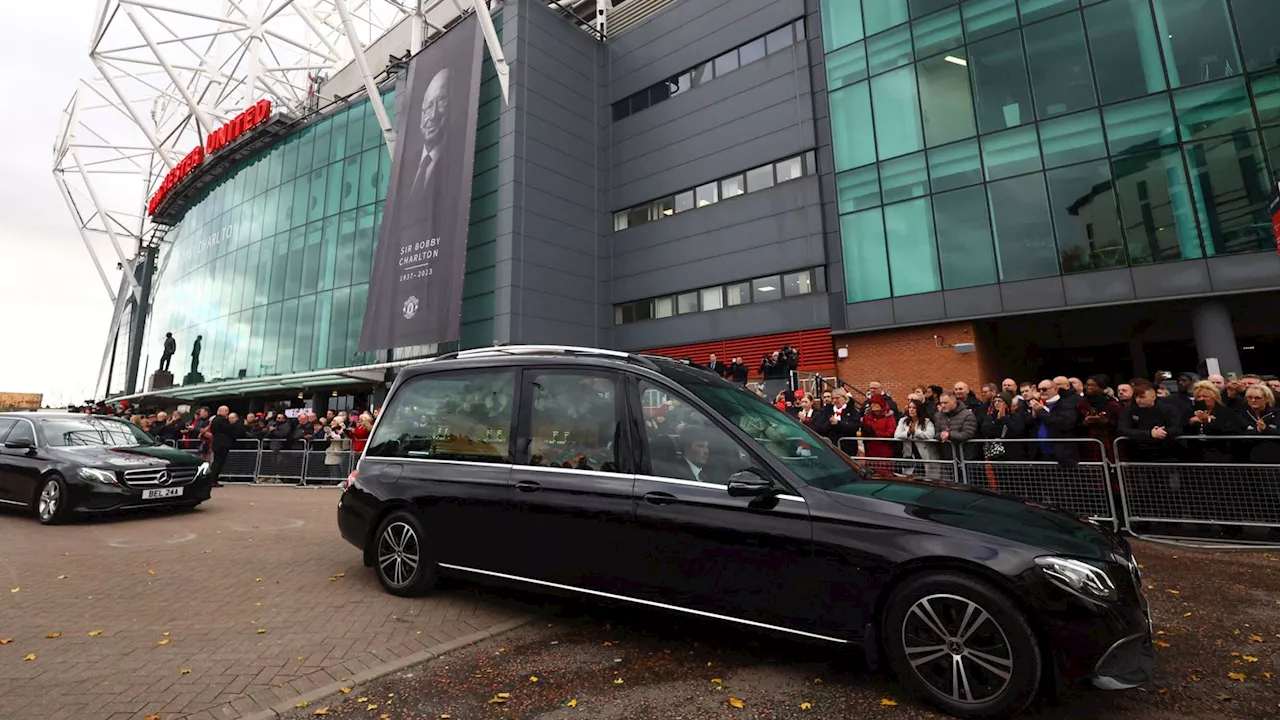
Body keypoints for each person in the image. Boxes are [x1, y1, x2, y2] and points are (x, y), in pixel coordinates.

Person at [1028, 379, 1080, 465]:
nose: (1041, 392)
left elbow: (1063, 424)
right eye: (1039, 390)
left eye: (1044, 389)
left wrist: (1041, 411)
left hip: (1061, 456)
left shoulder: (1066, 404)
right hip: (1042, 454)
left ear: (1055, 389)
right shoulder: (1041, 405)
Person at [1078, 374, 1123, 461]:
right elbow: (1076, 423)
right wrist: (1085, 422)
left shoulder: (1112, 404)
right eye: (1087, 385)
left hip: (1110, 443)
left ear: (1102, 387)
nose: (1088, 387)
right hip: (1088, 444)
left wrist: (1106, 421)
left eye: (1092, 385)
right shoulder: (1081, 403)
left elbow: (1120, 424)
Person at [894, 398, 940, 479]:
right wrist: (907, 433)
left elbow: (930, 434)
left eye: (914, 408)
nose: (911, 410)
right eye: (910, 407)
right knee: (910, 477)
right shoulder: (903, 421)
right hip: (909, 454)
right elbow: (897, 435)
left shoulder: (927, 422)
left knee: (925, 478)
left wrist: (916, 432)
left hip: (923, 453)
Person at [980, 391, 1027, 461]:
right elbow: (987, 432)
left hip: (1013, 454)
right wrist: (998, 420)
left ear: (1007, 403)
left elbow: (1016, 432)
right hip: (996, 455)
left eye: (1000, 401)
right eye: (995, 401)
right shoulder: (989, 417)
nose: (997, 403)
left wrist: (1005, 418)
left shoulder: (1016, 416)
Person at [1239, 385, 1280, 464]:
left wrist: (1266, 429)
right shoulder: (1241, 414)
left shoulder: (1277, 414)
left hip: (1274, 459)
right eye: (1250, 397)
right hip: (1247, 460)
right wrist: (1257, 430)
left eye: (1257, 398)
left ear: (1266, 399)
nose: (1253, 400)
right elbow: (1238, 435)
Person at [934, 392, 979, 461]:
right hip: (947, 456)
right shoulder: (938, 415)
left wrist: (950, 435)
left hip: (965, 456)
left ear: (954, 402)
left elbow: (968, 434)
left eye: (946, 403)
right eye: (941, 403)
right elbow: (935, 433)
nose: (943, 405)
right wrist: (941, 435)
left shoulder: (967, 415)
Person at [859, 396, 897, 462]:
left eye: (876, 403)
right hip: (870, 450)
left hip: (884, 451)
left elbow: (890, 433)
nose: (873, 405)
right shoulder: (867, 417)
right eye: (872, 403)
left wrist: (875, 433)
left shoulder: (889, 417)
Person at [208, 406, 234, 487]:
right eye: (226, 411)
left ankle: (213, 480)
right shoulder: (222, 420)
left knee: (217, 462)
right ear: (220, 411)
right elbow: (228, 429)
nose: (227, 412)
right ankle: (213, 480)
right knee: (218, 463)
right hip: (222, 444)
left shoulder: (214, 420)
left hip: (217, 443)